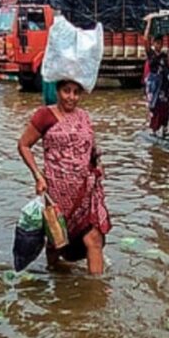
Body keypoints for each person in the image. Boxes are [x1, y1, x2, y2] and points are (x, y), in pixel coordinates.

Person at [17, 80, 111, 275]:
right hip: (57, 193)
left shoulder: (84, 117)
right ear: (57, 91)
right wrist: (38, 176)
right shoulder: (45, 116)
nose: (71, 97)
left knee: (93, 239)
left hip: (85, 192)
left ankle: (97, 294)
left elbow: (91, 149)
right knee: (56, 241)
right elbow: (24, 145)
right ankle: (54, 276)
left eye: (76, 92)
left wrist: (98, 163)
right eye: (66, 91)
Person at [145, 36, 169, 137]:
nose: (159, 46)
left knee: (165, 107)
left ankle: (165, 128)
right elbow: (145, 39)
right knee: (154, 106)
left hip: (164, 84)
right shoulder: (151, 54)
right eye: (157, 43)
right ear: (153, 43)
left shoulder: (164, 56)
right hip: (154, 84)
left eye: (160, 44)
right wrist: (149, 22)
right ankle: (154, 129)